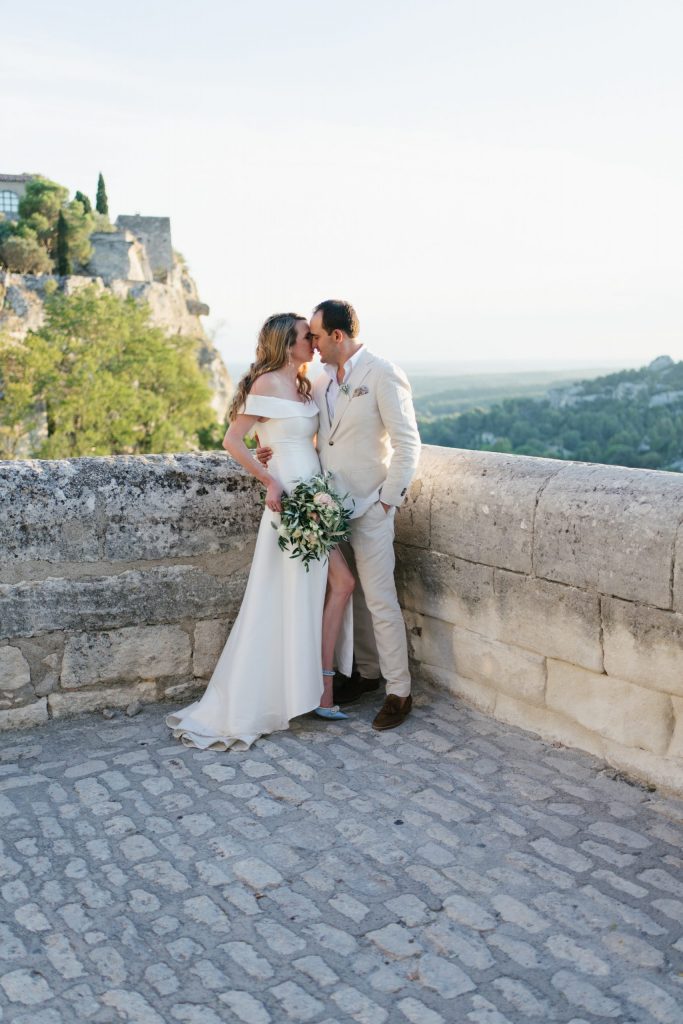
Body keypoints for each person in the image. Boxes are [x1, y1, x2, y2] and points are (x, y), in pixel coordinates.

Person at [165, 312, 355, 751]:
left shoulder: (306, 383)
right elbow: (234, 441)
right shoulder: (267, 383)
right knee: (303, 592)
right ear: (287, 344)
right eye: (307, 337)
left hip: (315, 496)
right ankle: (313, 694)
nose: (314, 342)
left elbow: (299, 439)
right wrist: (268, 478)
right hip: (290, 501)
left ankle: (317, 691)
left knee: (331, 588)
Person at [258, 300, 421, 730]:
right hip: (329, 506)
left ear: (336, 336)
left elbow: (408, 443)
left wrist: (389, 501)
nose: (310, 342)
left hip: (371, 505)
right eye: (305, 335)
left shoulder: (383, 374)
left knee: (381, 598)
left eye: (314, 334)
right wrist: (269, 448)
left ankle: (399, 692)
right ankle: (367, 674)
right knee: (356, 598)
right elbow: (310, 434)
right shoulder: (321, 379)